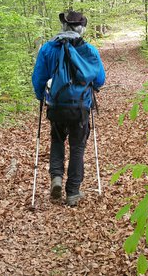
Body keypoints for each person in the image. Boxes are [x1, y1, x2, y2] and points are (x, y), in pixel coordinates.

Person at [31, 11, 106, 206]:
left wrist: (41, 96)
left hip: (56, 105)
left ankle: (56, 177)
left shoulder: (48, 48)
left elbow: (39, 78)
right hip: (80, 106)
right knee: (77, 147)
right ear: (82, 28)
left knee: (57, 140)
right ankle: (73, 192)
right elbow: (100, 80)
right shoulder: (89, 50)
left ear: (64, 26)